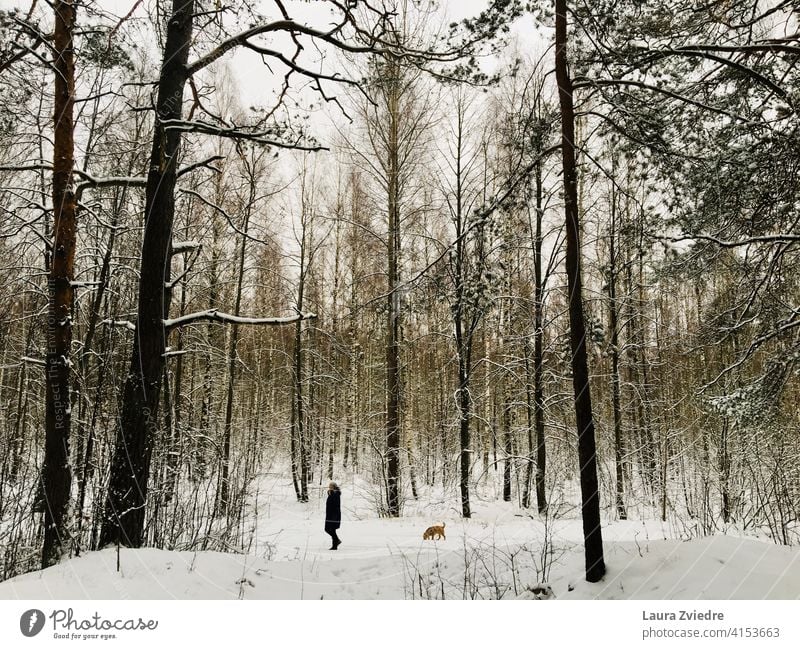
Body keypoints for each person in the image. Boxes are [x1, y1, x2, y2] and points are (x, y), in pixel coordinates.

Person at [324, 481, 342, 550]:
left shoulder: (335, 494)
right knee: (332, 530)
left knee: (328, 529)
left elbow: (335, 505)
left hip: (334, 515)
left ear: (334, 487)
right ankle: (335, 545)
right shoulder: (332, 494)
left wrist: (330, 493)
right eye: (329, 486)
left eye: (331, 486)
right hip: (330, 514)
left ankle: (336, 541)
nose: (329, 487)